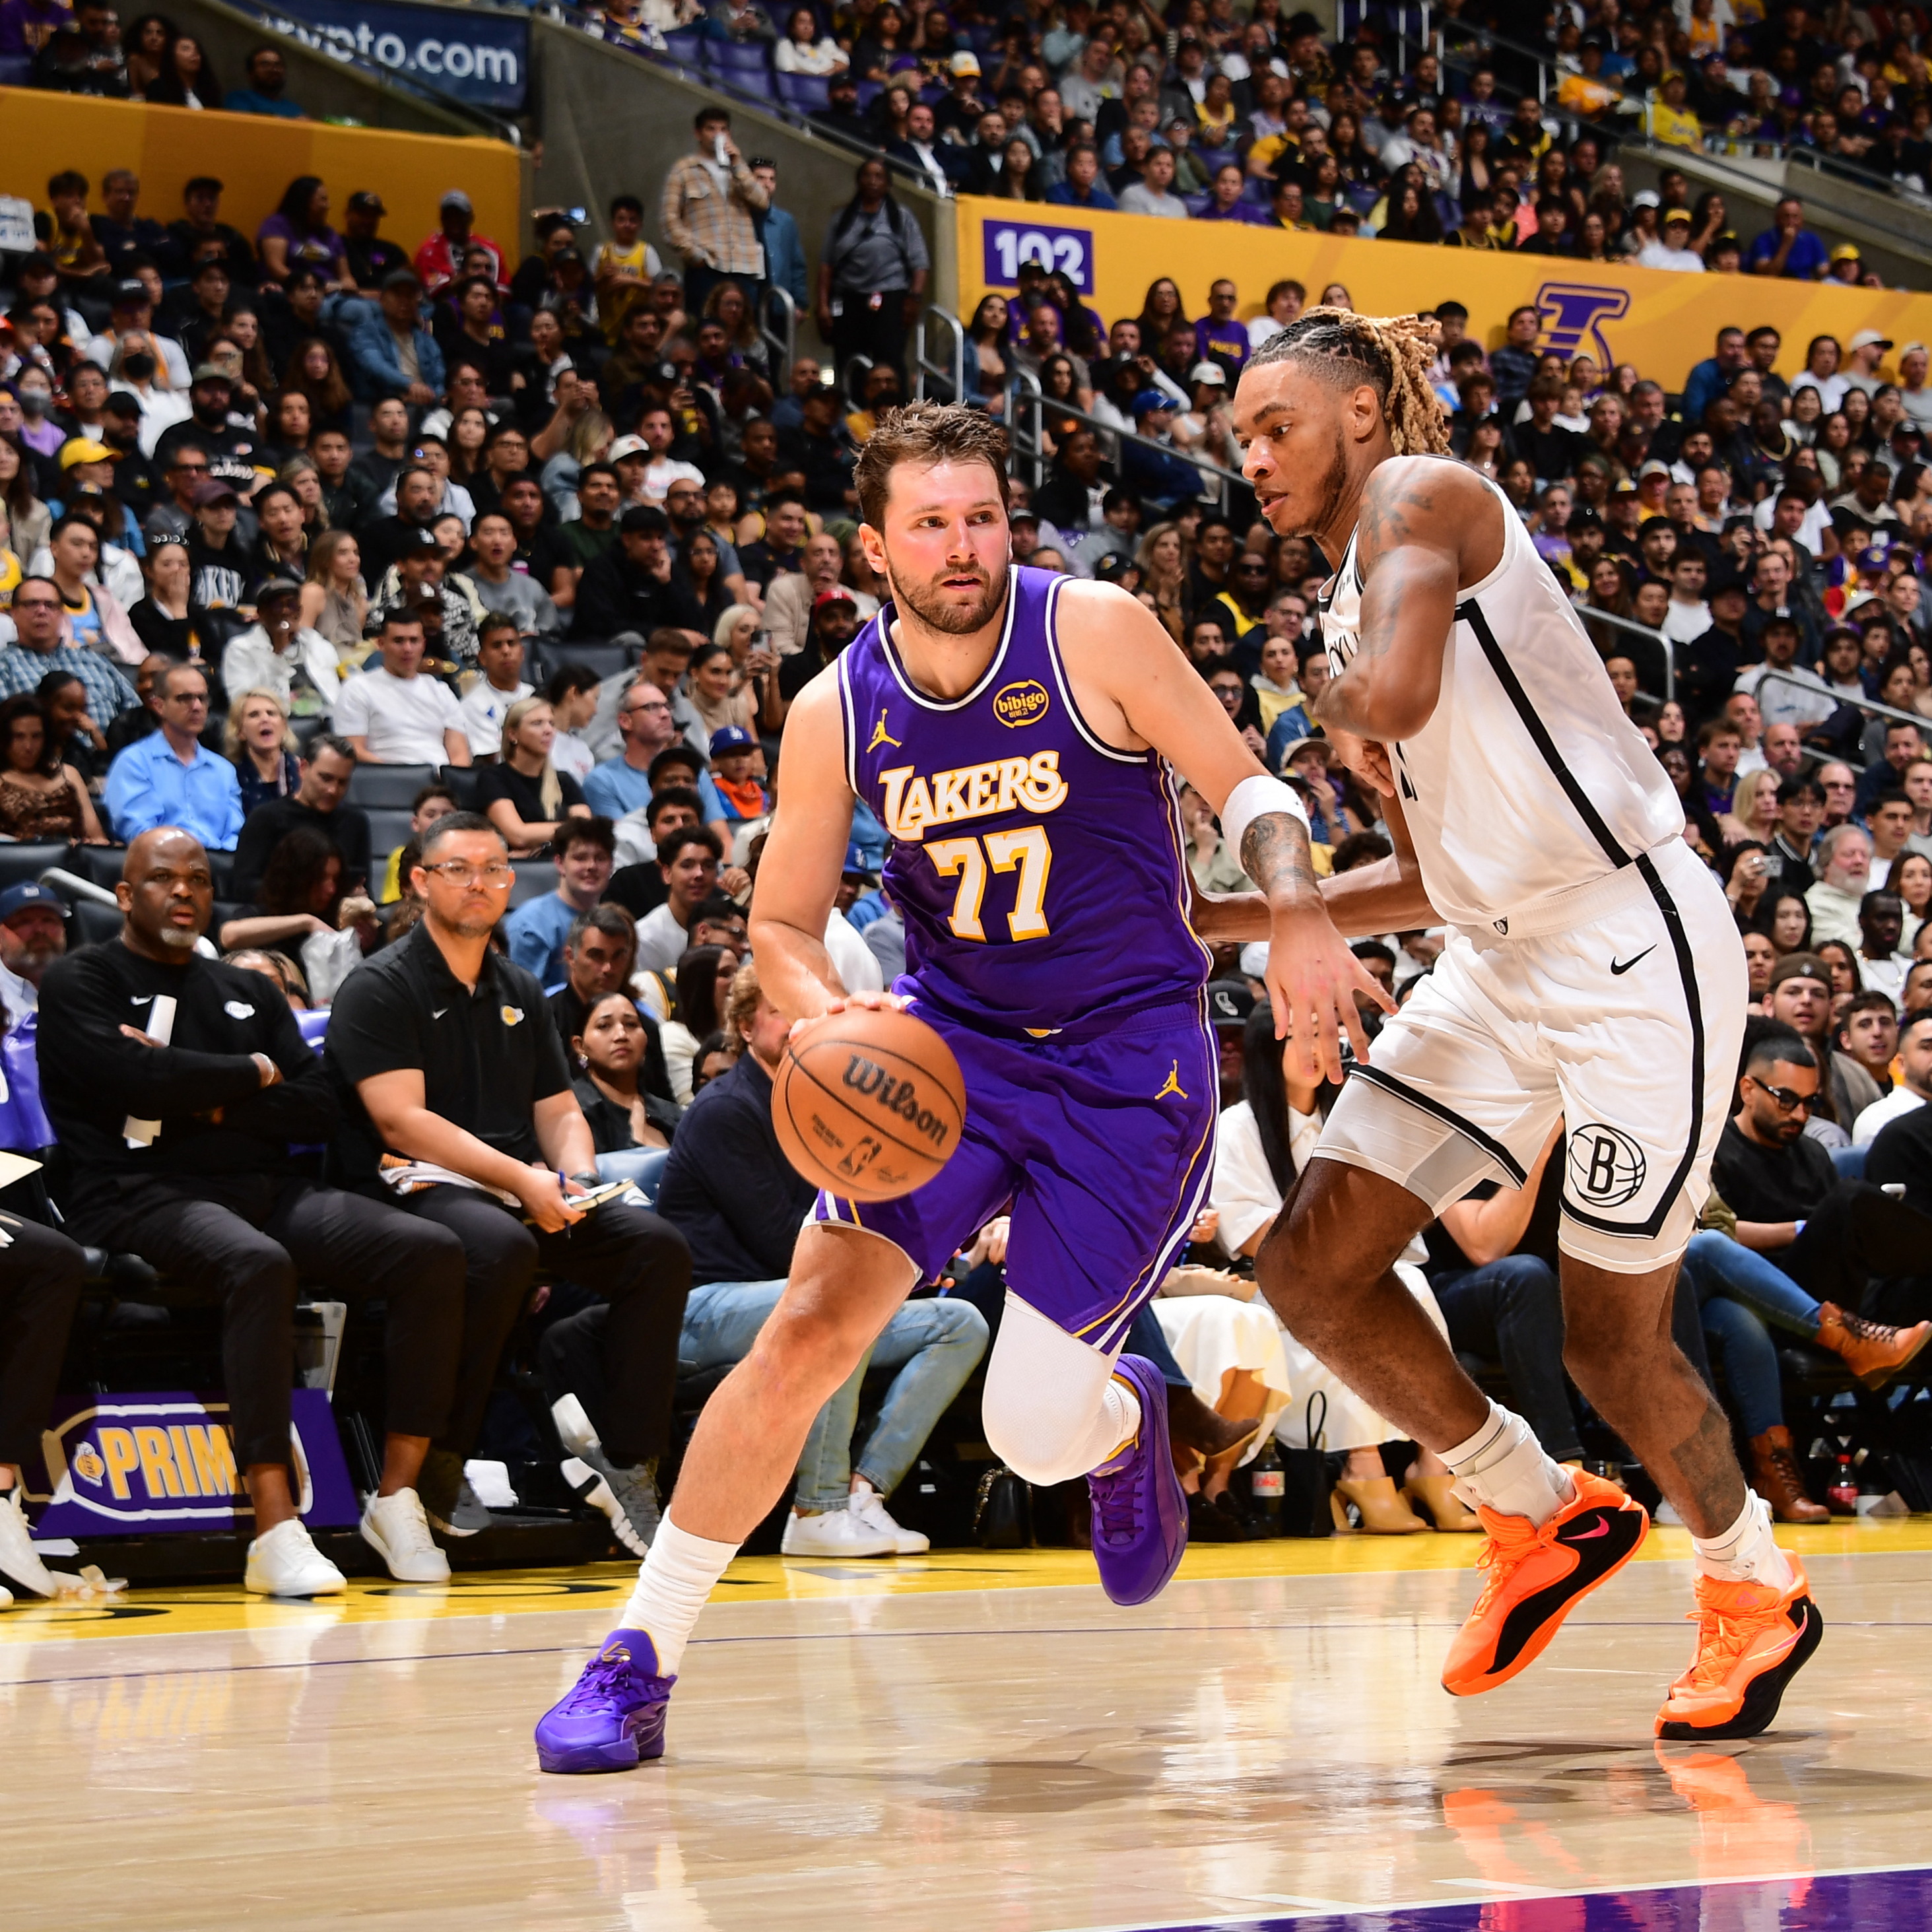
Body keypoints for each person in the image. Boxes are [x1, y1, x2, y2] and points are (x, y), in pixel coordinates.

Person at [534, 400, 1376, 1772]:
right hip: (948, 1050)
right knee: (806, 1326)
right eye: (929, 522)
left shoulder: (1091, 627)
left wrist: (1290, 907)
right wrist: (827, 1015)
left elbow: (1245, 787)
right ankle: (637, 1652)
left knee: (1029, 1432)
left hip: (1124, 1053)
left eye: (980, 515)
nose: (961, 544)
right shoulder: (834, 706)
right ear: (874, 547)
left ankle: (1121, 1427)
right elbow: (783, 933)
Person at [1226, 307, 1809, 1745]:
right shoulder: (1343, 608)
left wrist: (1320, 704)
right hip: (1487, 957)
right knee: (1305, 1261)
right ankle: (1534, 1506)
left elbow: (1395, 695)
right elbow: (1429, 872)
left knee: (1613, 1338)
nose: (1250, 458)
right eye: (1237, 436)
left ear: (1361, 412)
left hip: (1627, 942)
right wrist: (1233, 921)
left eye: (1275, 425)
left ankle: (1753, 1588)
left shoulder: (1423, 500)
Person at [38, 829, 473, 1591]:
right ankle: (274, 1522)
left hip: (263, 1189)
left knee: (430, 1250)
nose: (184, 891)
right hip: (131, 1191)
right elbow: (127, 1083)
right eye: (163, 878)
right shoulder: (84, 979)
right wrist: (252, 1074)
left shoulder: (250, 990)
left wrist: (194, 1096)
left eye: (199, 879)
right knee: (257, 1263)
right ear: (123, 895)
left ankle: (395, 1495)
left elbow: (314, 1109)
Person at [325, 812, 693, 1555]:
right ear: (421, 881)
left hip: (514, 1183)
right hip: (415, 1184)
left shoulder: (520, 984)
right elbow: (402, 1122)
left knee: (656, 1246)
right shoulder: (379, 984)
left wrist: (578, 1180)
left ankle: (627, 1458)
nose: (480, 882)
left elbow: (558, 1111)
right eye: (458, 868)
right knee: (497, 1247)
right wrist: (526, 1182)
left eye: (494, 868)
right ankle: (440, 1455)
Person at [634, 957, 989, 1558]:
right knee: (838, 1304)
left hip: (783, 1296)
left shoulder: (834, 1101)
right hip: (700, 1310)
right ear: (745, 1027)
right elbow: (779, 1239)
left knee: (960, 1323)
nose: (798, 1019)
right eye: (778, 1010)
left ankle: (861, 1493)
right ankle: (814, 1509)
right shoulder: (725, 1110)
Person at [103, 659, 242, 849]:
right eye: (184, 698)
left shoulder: (224, 770)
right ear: (159, 706)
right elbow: (140, 832)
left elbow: (235, 835)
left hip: (218, 869)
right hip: (160, 867)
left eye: (202, 698)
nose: (196, 707)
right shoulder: (133, 763)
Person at [230, 733, 368, 902]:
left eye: (342, 783)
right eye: (325, 778)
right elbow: (244, 888)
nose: (332, 790)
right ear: (303, 768)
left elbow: (362, 885)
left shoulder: (356, 822)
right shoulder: (265, 819)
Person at [658, 108, 768, 318]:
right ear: (698, 133)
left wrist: (737, 164)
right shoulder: (683, 170)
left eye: (724, 129)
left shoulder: (738, 168)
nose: (718, 134)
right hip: (707, 266)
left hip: (743, 266)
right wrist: (696, 255)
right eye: (711, 129)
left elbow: (762, 201)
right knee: (706, 328)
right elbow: (669, 221)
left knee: (743, 333)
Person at [333, 611, 469, 768]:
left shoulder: (441, 691)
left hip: (439, 782)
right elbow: (354, 750)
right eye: (399, 641)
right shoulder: (358, 688)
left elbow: (459, 754)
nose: (407, 648)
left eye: (414, 641)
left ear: (423, 644)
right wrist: (405, 776)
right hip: (387, 779)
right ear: (381, 644)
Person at [502, 816, 615, 985]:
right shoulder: (531, 925)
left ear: (611, 865)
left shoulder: (612, 918)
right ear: (560, 863)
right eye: (580, 858)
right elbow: (523, 998)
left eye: (600, 858)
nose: (591, 866)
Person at [0, 692, 104, 843]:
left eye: (36, 736)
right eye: (19, 737)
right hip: (18, 862)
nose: (29, 747)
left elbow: (98, 839)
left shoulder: (69, 774)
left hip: (74, 860)